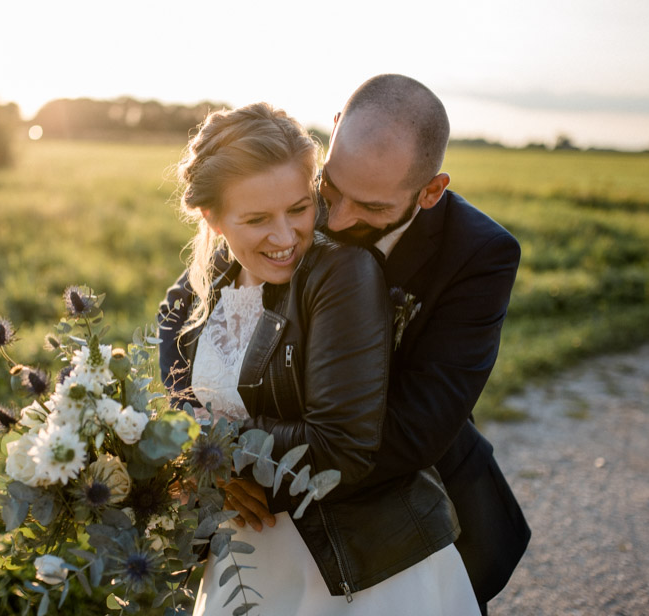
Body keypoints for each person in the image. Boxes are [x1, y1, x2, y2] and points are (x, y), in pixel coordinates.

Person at [158, 102, 480, 615]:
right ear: (211, 219)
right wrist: (195, 464)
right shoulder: (194, 292)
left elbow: (340, 443)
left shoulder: (341, 275)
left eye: (300, 208)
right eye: (258, 219)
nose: (286, 238)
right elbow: (171, 407)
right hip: (243, 564)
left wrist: (215, 456)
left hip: (358, 564)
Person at [314, 74, 531, 611]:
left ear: (431, 191)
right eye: (331, 189)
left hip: (419, 504)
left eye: (371, 207)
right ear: (335, 130)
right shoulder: (287, 187)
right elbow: (192, 303)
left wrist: (274, 478)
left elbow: (419, 425)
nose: (336, 219)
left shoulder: (481, 255)